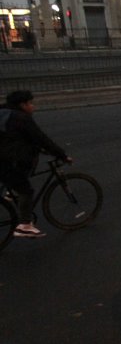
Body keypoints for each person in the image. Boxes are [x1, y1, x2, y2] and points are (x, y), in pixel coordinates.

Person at [0, 90, 71, 238]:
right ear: (23, 104)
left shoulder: (3, 113)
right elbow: (41, 138)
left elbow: (15, 138)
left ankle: (10, 194)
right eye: (31, 103)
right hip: (9, 162)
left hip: (5, 159)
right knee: (26, 191)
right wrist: (62, 155)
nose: (33, 107)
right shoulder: (21, 118)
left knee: (18, 179)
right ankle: (25, 225)